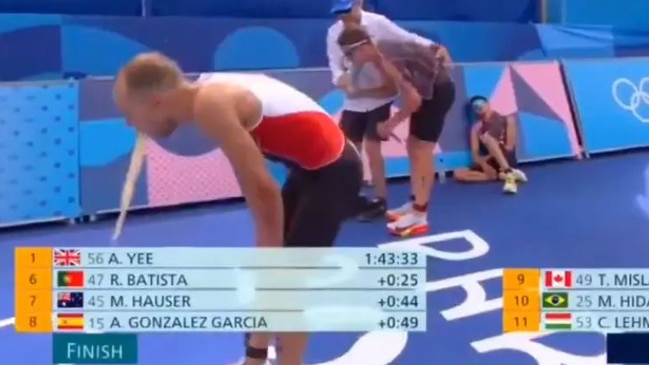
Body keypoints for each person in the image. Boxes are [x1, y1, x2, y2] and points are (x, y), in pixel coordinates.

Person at [111, 52, 363, 365]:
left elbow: (263, 190)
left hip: (335, 171)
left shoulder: (210, 105)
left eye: (129, 113)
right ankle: (255, 358)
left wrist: (270, 256)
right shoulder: (209, 93)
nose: (129, 123)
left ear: (157, 102)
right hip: (314, 170)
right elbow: (255, 185)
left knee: (288, 284)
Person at [336, 24, 455, 237]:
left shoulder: (386, 58)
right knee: (413, 145)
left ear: (362, 47)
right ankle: (415, 203)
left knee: (422, 149)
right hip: (430, 89)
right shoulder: (381, 52)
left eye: (349, 54)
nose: (350, 60)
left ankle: (420, 215)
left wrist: (390, 124)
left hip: (439, 91)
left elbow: (414, 100)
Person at [327, 0, 437, 222]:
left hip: (381, 98)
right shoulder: (333, 34)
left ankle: (380, 199)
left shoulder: (378, 24)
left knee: (372, 146)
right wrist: (352, 84)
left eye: (347, 11)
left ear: (359, 4)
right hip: (354, 100)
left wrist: (433, 47)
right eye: (339, 14)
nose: (344, 18)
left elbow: (406, 38)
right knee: (348, 150)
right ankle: (351, 197)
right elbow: (336, 70)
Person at [454, 96, 527, 193]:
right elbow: (475, 154)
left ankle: (507, 173)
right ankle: (498, 176)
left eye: (481, 103)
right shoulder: (476, 128)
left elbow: (510, 147)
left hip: (506, 158)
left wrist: (494, 148)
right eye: (475, 105)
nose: (479, 106)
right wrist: (484, 164)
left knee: (488, 138)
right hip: (490, 160)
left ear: (488, 104)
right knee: (458, 173)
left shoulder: (508, 120)